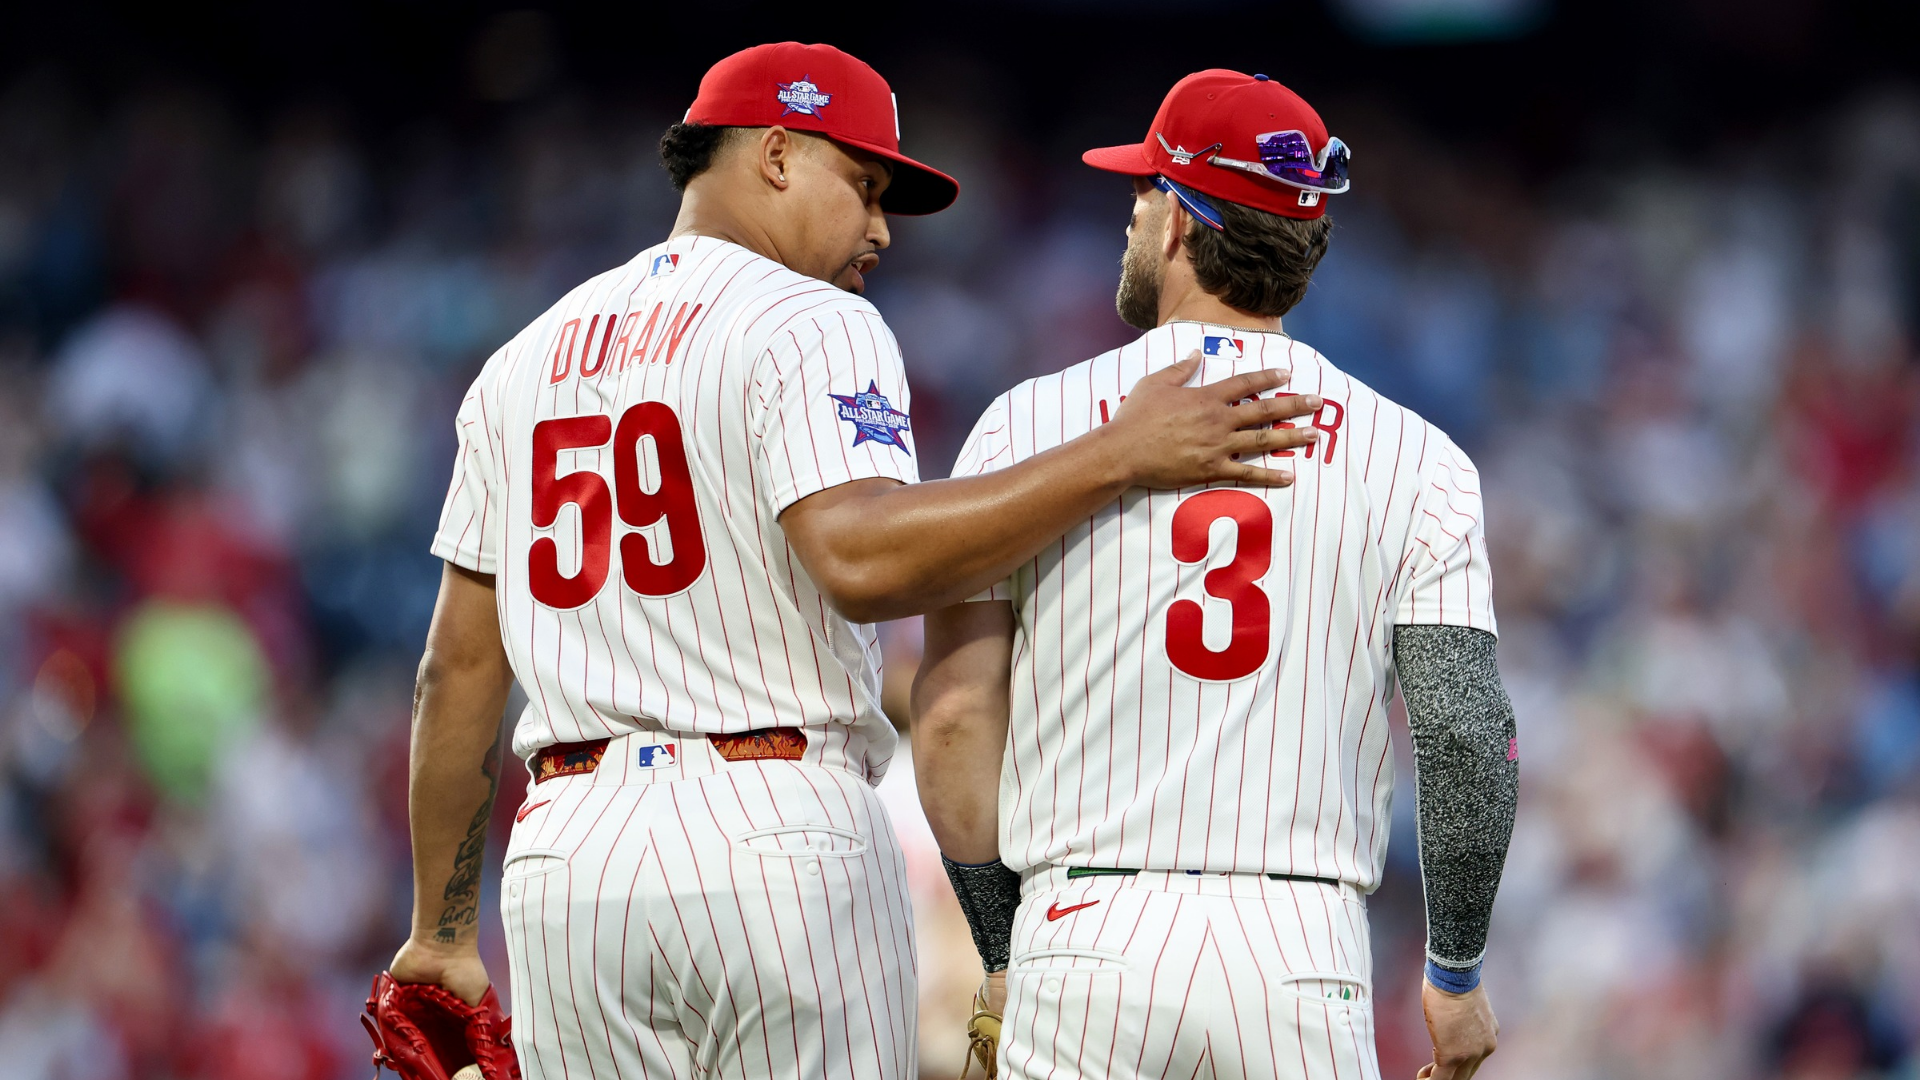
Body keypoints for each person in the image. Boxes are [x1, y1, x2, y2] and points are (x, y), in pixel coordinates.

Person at [383, 43, 1325, 1080]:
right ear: (777, 153)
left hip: (569, 853)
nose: (879, 228)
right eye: (865, 186)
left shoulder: (521, 362)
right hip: (772, 830)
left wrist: (441, 933)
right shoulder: (809, 318)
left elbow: (459, 671)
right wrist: (1118, 452)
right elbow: (861, 559)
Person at [913, 69, 1518, 1080]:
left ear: (1184, 226)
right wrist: (1453, 974)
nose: (1131, 213)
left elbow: (954, 719)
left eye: (1145, 191)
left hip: (1082, 933)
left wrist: (1001, 948)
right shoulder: (1418, 459)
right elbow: (1464, 732)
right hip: (1299, 949)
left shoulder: (1027, 426)